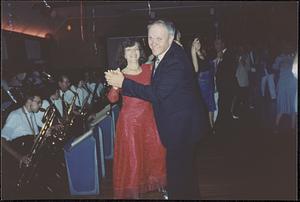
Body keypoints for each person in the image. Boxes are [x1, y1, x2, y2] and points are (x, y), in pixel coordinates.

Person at [105, 19, 208, 200]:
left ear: (171, 38)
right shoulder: (168, 54)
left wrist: (122, 83)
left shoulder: (170, 60)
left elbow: (156, 93)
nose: (153, 42)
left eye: (158, 38)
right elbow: (113, 98)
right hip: (156, 123)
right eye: (150, 38)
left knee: (177, 174)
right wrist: (117, 84)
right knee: (182, 173)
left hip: (179, 126)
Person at [107, 39, 166, 199]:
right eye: (129, 50)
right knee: (133, 159)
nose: (133, 53)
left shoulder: (149, 69)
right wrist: (114, 85)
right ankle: (134, 193)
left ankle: (160, 187)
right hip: (129, 124)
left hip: (150, 120)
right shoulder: (120, 73)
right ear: (124, 54)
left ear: (140, 52)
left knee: (155, 154)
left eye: (136, 49)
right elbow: (112, 99)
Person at [1, 90, 42, 199]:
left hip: (28, 159)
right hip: (16, 162)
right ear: (29, 101)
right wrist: (19, 157)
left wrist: (45, 134)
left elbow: (34, 136)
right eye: (38, 102)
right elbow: (2, 140)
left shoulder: (32, 114)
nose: (40, 105)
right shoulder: (15, 115)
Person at [213, 38, 238, 134]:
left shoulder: (229, 54)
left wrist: (222, 58)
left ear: (223, 44)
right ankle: (223, 129)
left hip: (227, 87)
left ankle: (222, 129)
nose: (216, 46)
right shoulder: (218, 55)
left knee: (224, 107)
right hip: (222, 87)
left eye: (218, 43)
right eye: (215, 44)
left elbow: (231, 69)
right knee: (222, 107)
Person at [191, 37, 216, 129]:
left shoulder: (203, 54)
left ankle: (212, 125)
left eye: (199, 43)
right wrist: (194, 50)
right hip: (202, 83)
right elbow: (196, 69)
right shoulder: (193, 53)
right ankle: (208, 127)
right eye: (196, 43)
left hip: (208, 82)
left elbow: (209, 66)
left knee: (211, 105)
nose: (198, 44)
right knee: (205, 105)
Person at [272, 42, 297, 132]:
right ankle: (292, 129)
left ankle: (277, 127)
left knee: (282, 106)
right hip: (290, 84)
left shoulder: (280, 58)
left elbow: (274, 68)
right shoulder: (292, 58)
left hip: (286, 84)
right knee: (292, 107)